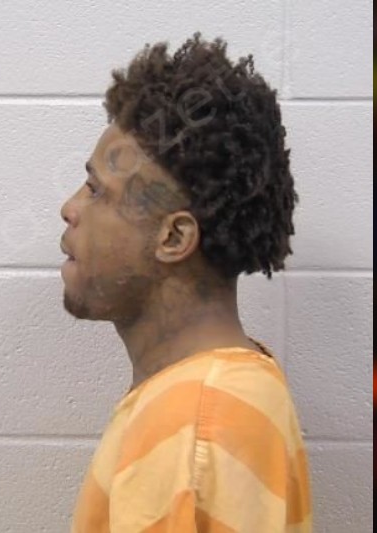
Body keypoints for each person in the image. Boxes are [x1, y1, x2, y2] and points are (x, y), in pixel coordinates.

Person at [61, 34, 311, 532]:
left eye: (96, 191)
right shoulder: (221, 392)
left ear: (173, 238)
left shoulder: (193, 424)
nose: (70, 208)